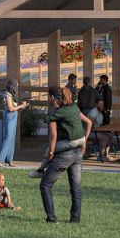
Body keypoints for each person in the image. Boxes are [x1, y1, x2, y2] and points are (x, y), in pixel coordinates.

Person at [38, 85, 89, 224]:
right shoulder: (74, 108)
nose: (48, 99)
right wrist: (84, 141)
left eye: (48, 96)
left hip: (65, 155)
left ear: (54, 97)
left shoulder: (58, 112)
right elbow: (88, 122)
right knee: (76, 188)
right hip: (78, 153)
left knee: (45, 185)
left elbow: (53, 135)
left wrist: (51, 152)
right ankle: (75, 219)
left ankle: (52, 218)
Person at [0, 81, 26, 166]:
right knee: (8, 137)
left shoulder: (12, 95)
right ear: (12, 86)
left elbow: (14, 107)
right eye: (16, 86)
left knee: (12, 138)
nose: (17, 87)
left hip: (14, 115)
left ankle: (10, 160)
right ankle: (0, 160)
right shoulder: (8, 95)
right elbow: (10, 108)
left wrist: (21, 106)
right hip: (9, 115)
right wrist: (21, 106)